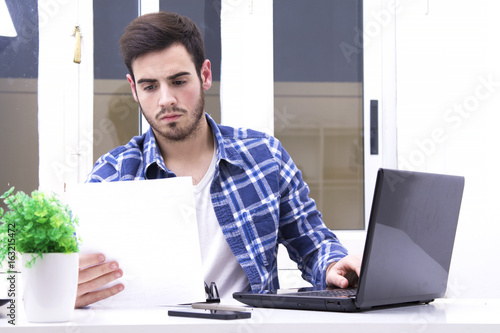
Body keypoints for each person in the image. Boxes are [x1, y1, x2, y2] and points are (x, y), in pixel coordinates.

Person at [76, 11, 361, 308]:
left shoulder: (264, 156)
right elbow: (75, 271)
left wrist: (333, 267)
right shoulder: (111, 176)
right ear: (134, 90)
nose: (166, 100)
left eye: (178, 81)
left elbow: (314, 244)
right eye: (150, 86)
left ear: (205, 75)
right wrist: (67, 288)